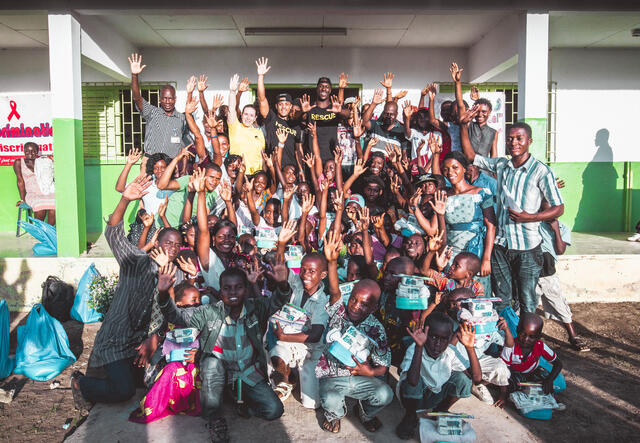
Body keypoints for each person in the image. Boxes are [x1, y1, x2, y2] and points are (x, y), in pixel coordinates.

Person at [70, 175, 185, 412]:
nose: (172, 248)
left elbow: (171, 312)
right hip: (116, 337)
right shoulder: (135, 260)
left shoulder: (178, 274)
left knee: (154, 386)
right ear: (157, 242)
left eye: (177, 244)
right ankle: (80, 383)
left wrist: (153, 338)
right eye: (168, 243)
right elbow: (113, 233)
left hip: (143, 340)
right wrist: (124, 199)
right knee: (124, 391)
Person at [158, 258, 293, 442]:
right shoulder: (208, 312)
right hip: (219, 372)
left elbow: (278, 301)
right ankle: (214, 418)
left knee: (274, 411)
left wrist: (283, 283)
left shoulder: (256, 308)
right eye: (227, 288)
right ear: (220, 291)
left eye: (238, 287)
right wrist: (164, 294)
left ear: (245, 289)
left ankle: (240, 402)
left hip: (247, 372)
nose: (233, 292)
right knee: (211, 363)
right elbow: (177, 316)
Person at [460, 120, 564, 313]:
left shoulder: (541, 171)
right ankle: (507, 340)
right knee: (502, 299)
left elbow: (559, 208)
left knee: (527, 301)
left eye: (519, 138)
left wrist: (530, 217)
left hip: (528, 247)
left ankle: (526, 341)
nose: (514, 142)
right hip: (501, 245)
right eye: (510, 139)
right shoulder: (501, 165)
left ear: (529, 141)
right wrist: (463, 125)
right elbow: (471, 156)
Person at [317, 231, 393, 434]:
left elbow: (384, 367)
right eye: (354, 299)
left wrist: (371, 372)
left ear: (374, 308)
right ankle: (335, 415)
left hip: (362, 378)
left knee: (385, 394)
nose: (356, 306)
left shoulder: (377, 329)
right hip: (332, 376)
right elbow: (334, 291)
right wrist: (332, 261)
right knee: (331, 400)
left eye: (364, 304)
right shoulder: (339, 309)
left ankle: (365, 413)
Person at [395, 312, 482, 440]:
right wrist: (419, 347)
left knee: (463, 379)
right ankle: (410, 416)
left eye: (443, 339)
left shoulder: (450, 352)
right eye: (433, 337)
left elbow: (477, 379)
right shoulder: (414, 348)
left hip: (436, 396)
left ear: (450, 338)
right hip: (413, 398)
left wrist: (470, 348)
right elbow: (412, 382)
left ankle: (440, 410)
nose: (438, 344)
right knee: (413, 380)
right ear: (425, 333)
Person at [129, 282, 202, 423]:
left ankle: (192, 403)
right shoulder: (170, 323)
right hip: (173, 366)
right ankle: (158, 403)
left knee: (195, 370)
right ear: (179, 304)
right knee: (171, 369)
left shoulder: (201, 320)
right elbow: (170, 303)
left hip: (192, 365)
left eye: (199, 299)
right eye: (193, 300)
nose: (198, 303)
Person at [269, 250, 329, 409]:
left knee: (311, 404)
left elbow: (315, 335)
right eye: (303, 269)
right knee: (276, 355)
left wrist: (282, 336)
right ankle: (288, 379)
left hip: (311, 351)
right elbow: (281, 267)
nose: (305, 274)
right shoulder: (296, 283)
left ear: (322, 275)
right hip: (288, 342)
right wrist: (281, 244)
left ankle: (318, 377)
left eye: (312, 271)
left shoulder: (322, 301)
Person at [440, 150, 496, 296]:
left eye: (454, 167)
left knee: (477, 295)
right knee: (452, 295)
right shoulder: (444, 196)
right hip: (452, 255)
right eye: (445, 169)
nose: (450, 172)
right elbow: (442, 229)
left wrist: (486, 259)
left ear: (465, 169)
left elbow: (491, 226)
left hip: (475, 253)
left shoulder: (481, 192)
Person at [536, 202, 590, 352]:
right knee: (525, 305)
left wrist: (555, 230)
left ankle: (573, 335)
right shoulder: (534, 223)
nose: (548, 214)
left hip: (548, 273)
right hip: (530, 270)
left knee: (558, 303)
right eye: (544, 210)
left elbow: (560, 251)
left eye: (552, 211)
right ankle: (521, 335)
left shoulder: (563, 228)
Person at [128, 53, 192, 160]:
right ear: (160, 99)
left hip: (171, 165)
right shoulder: (152, 112)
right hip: (150, 162)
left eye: (170, 98)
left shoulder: (181, 118)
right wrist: (135, 76)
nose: (167, 102)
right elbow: (137, 98)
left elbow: (184, 142)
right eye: (164, 98)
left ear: (175, 99)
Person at [255, 57, 304, 171]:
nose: (284, 107)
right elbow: (261, 99)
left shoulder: (295, 126)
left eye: (287, 104)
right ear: (276, 106)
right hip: (274, 167)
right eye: (281, 104)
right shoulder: (271, 118)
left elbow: (298, 151)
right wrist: (260, 76)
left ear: (291, 106)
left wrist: (301, 170)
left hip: (291, 170)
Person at [501, 312, 563, 396]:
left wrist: (549, 380)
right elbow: (503, 370)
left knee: (554, 384)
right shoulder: (510, 346)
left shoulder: (540, 346)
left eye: (531, 337)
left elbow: (558, 364)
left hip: (532, 372)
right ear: (517, 330)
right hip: (513, 373)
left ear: (538, 337)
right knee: (510, 384)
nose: (526, 339)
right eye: (523, 334)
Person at [451, 62, 497, 158]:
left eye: (484, 112)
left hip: (484, 170)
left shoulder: (493, 132)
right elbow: (460, 104)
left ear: (489, 112)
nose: (480, 114)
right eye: (477, 111)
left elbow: (494, 156)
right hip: (467, 167)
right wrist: (457, 82)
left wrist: (494, 172)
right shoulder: (468, 125)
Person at [302, 77, 350, 162]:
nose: (324, 88)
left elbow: (348, 114)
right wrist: (302, 112)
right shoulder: (310, 108)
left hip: (332, 156)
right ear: (317, 89)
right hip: (313, 158)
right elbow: (296, 117)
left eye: (327, 86)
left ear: (330, 90)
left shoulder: (334, 108)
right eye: (321, 86)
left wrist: (340, 111)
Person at [227, 73, 265, 175]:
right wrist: (232, 92)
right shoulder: (235, 127)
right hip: (238, 173)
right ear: (242, 115)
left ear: (255, 118)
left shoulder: (259, 133)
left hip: (255, 175)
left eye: (251, 115)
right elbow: (231, 109)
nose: (248, 118)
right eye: (246, 114)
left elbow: (262, 156)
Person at [13, 141, 55, 225]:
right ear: (24, 151)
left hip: (46, 191)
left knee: (55, 204)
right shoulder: (18, 162)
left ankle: (48, 232)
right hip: (32, 194)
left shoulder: (43, 162)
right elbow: (20, 181)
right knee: (39, 205)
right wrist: (22, 199)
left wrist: (53, 161)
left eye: (33, 151)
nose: (30, 153)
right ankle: (39, 230)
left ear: (37, 152)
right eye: (27, 151)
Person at [362, 81, 409, 155]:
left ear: (396, 114)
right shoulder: (376, 125)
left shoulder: (401, 131)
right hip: (374, 165)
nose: (389, 116)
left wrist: (389, 89)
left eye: (392, 114)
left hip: (391, 165)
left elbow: (404, 153)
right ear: (383, 114)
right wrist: (373, 104)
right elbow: (364, 122)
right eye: (387, 114)